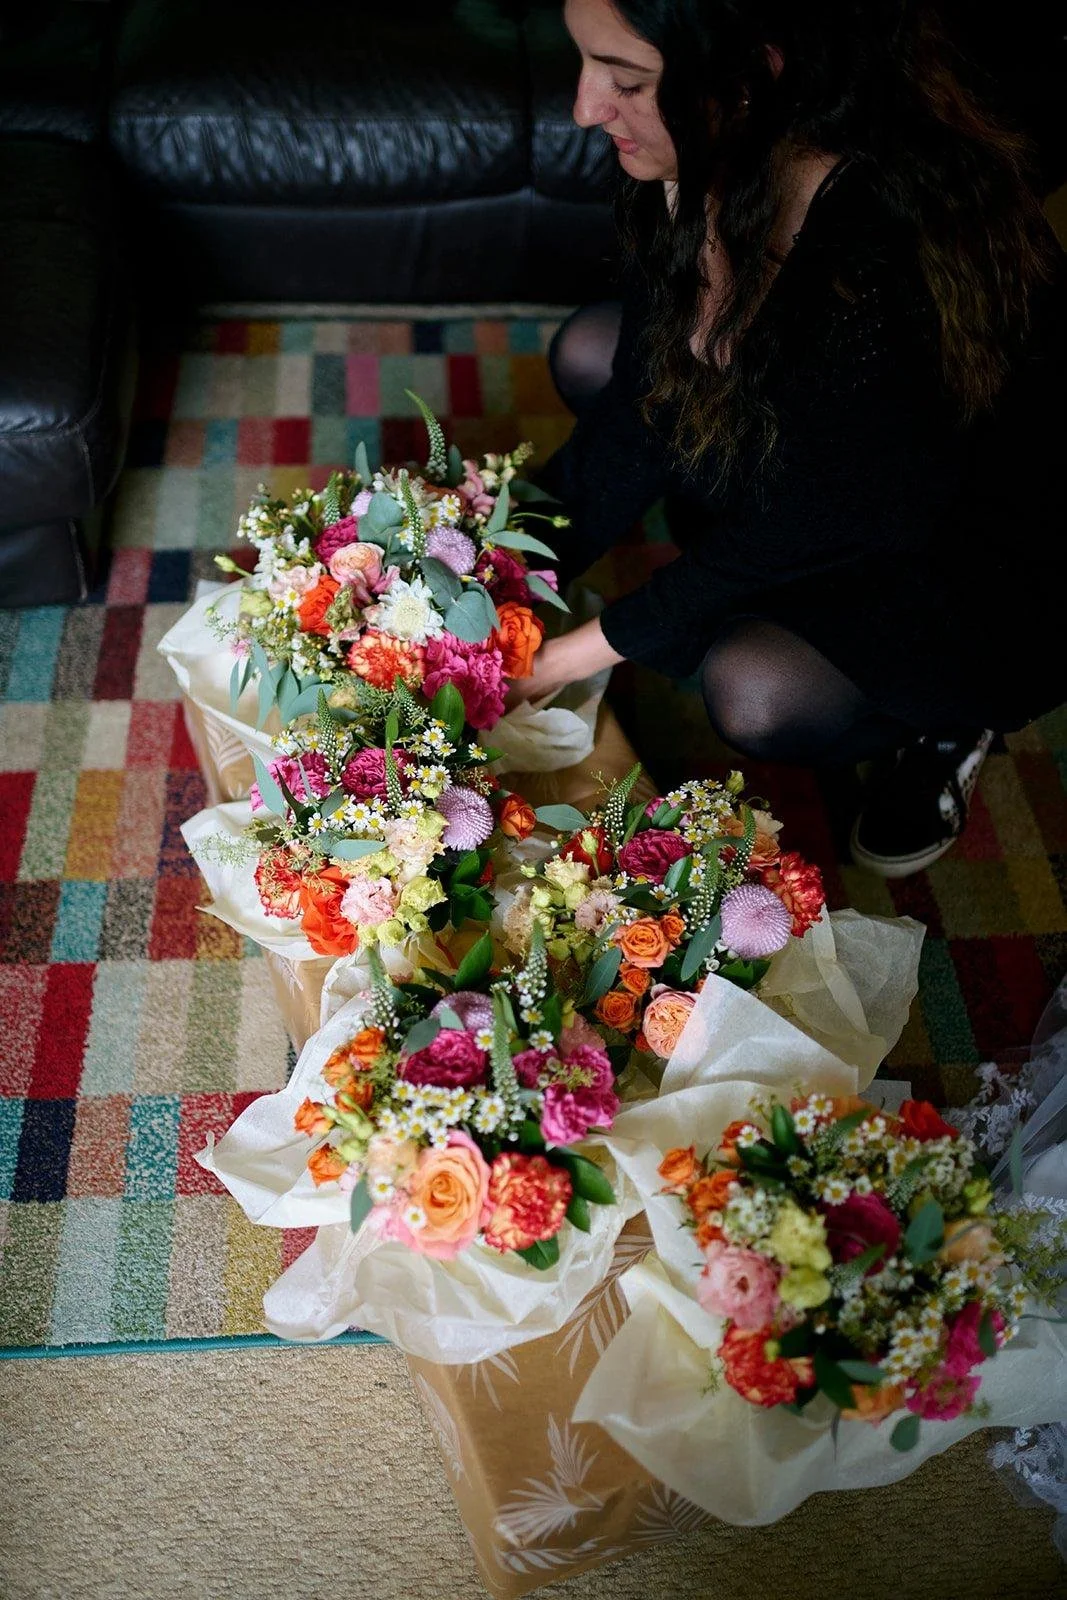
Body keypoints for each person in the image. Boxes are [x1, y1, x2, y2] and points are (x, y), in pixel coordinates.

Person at [508, 0, 1066, 878]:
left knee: (757, 690)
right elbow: (643, 403)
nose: (584, 109)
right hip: (825, 464)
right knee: (595, 350)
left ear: (749, 77)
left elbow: (827, 514)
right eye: (586, 67)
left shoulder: (884, 237)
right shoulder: (695, 156)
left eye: (626, 81)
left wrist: (587, 645)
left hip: (955, 542)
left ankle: (946, 724)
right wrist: (504, 568)